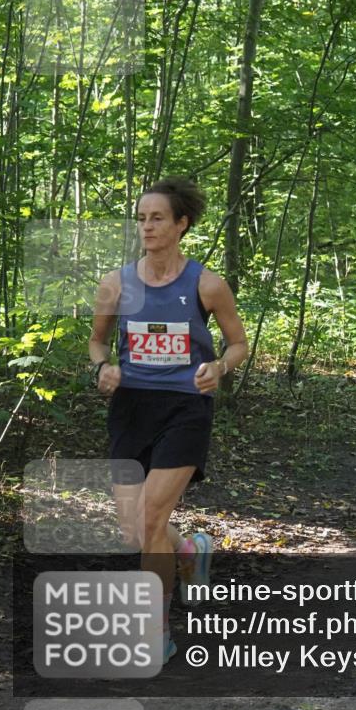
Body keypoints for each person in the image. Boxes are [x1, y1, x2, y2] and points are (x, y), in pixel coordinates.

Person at [89, 177, 248, 663]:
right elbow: (97, 342)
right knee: (133, 529)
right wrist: (102, 368)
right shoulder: (116, 284)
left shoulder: (206, 284)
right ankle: (189, 551)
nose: (147, 226)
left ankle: (154, 632)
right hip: (132, 408)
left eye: (157, 218)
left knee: (152, 516)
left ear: (182, 224)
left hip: (185, 408)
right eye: (141, 218)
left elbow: (238, 343)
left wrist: (219, 367)